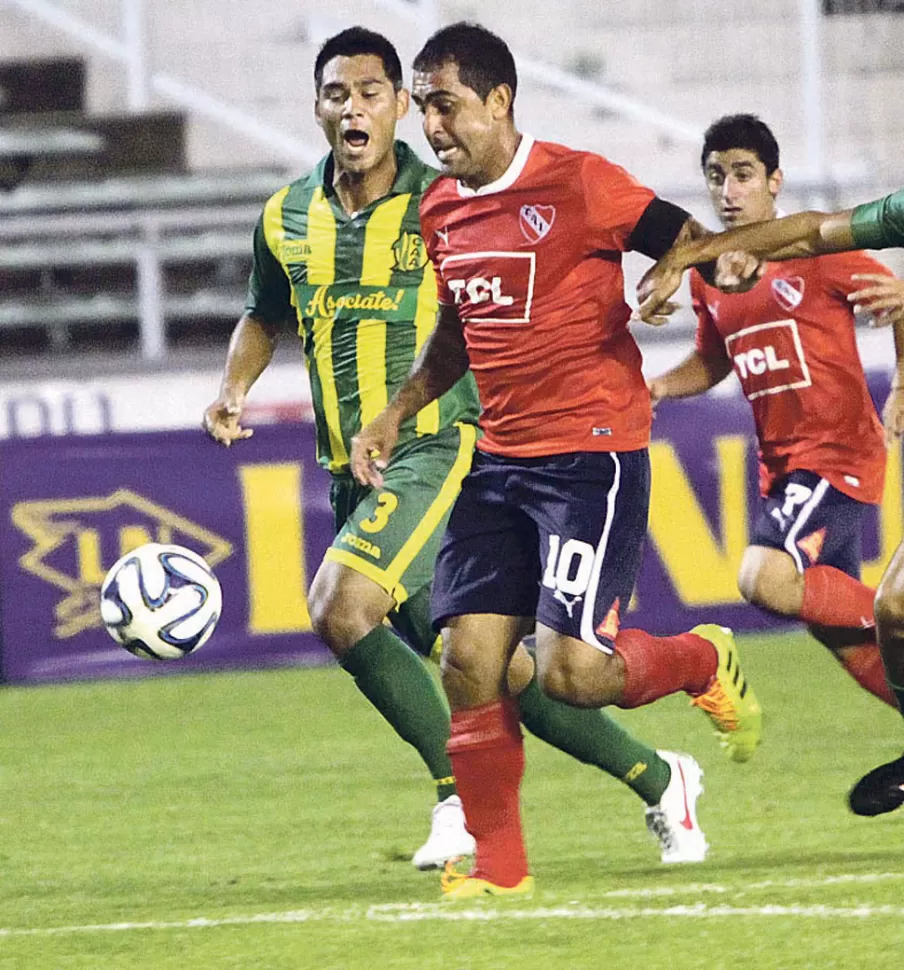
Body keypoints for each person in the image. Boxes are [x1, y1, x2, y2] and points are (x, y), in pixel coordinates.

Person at [203, 26, 721, 874]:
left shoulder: (441, 190)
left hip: (444, 448)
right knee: (493, 670)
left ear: (401, 104)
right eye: (338, 94)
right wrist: (234, 387)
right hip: (353, 465)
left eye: (374, 92)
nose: (355, 108)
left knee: (340, 605)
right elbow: (264, 312)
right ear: (318, 107)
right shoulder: (287, 215)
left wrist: (664, 271)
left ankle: (460, 806)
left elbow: (578, 245)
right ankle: (659, 777)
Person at [350, 21, 763, 899]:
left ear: (499, 100)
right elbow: (460, 332)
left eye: (447, 105)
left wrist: (697, 269)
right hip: (499, 461)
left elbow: (690, 239)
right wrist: (396, 410)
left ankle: (698, 660)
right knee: (468, 662)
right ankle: (502, 875)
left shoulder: (579, 181)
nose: (433, 126)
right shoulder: (441, 209)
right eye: (424, 107)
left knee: (573, 674)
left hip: (591, 457)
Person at [637, 187, 904, 817]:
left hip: (837, 454)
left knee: (767, 578)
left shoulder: (829, 264)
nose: (729, 190)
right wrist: (654, 386)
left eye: (743, 173)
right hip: (786, 470)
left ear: (774, 180)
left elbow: (874, 285)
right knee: (837, 623)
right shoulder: (715, 284)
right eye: (716, 176)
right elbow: (711, 361)